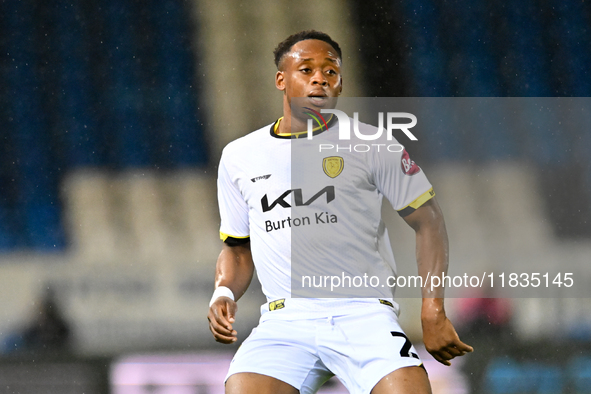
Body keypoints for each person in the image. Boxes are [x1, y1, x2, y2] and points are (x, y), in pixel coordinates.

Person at [207, 30, 473, 394]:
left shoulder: (373, 143)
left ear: (341, 82)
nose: (320, 78)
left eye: (331, 71)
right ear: (281, 80)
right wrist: (223, 292)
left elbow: (429, 221)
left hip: (364, 314)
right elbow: (238, 247)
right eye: (307, 69)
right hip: (285, 320)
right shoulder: (240, 156)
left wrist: (432, 309)